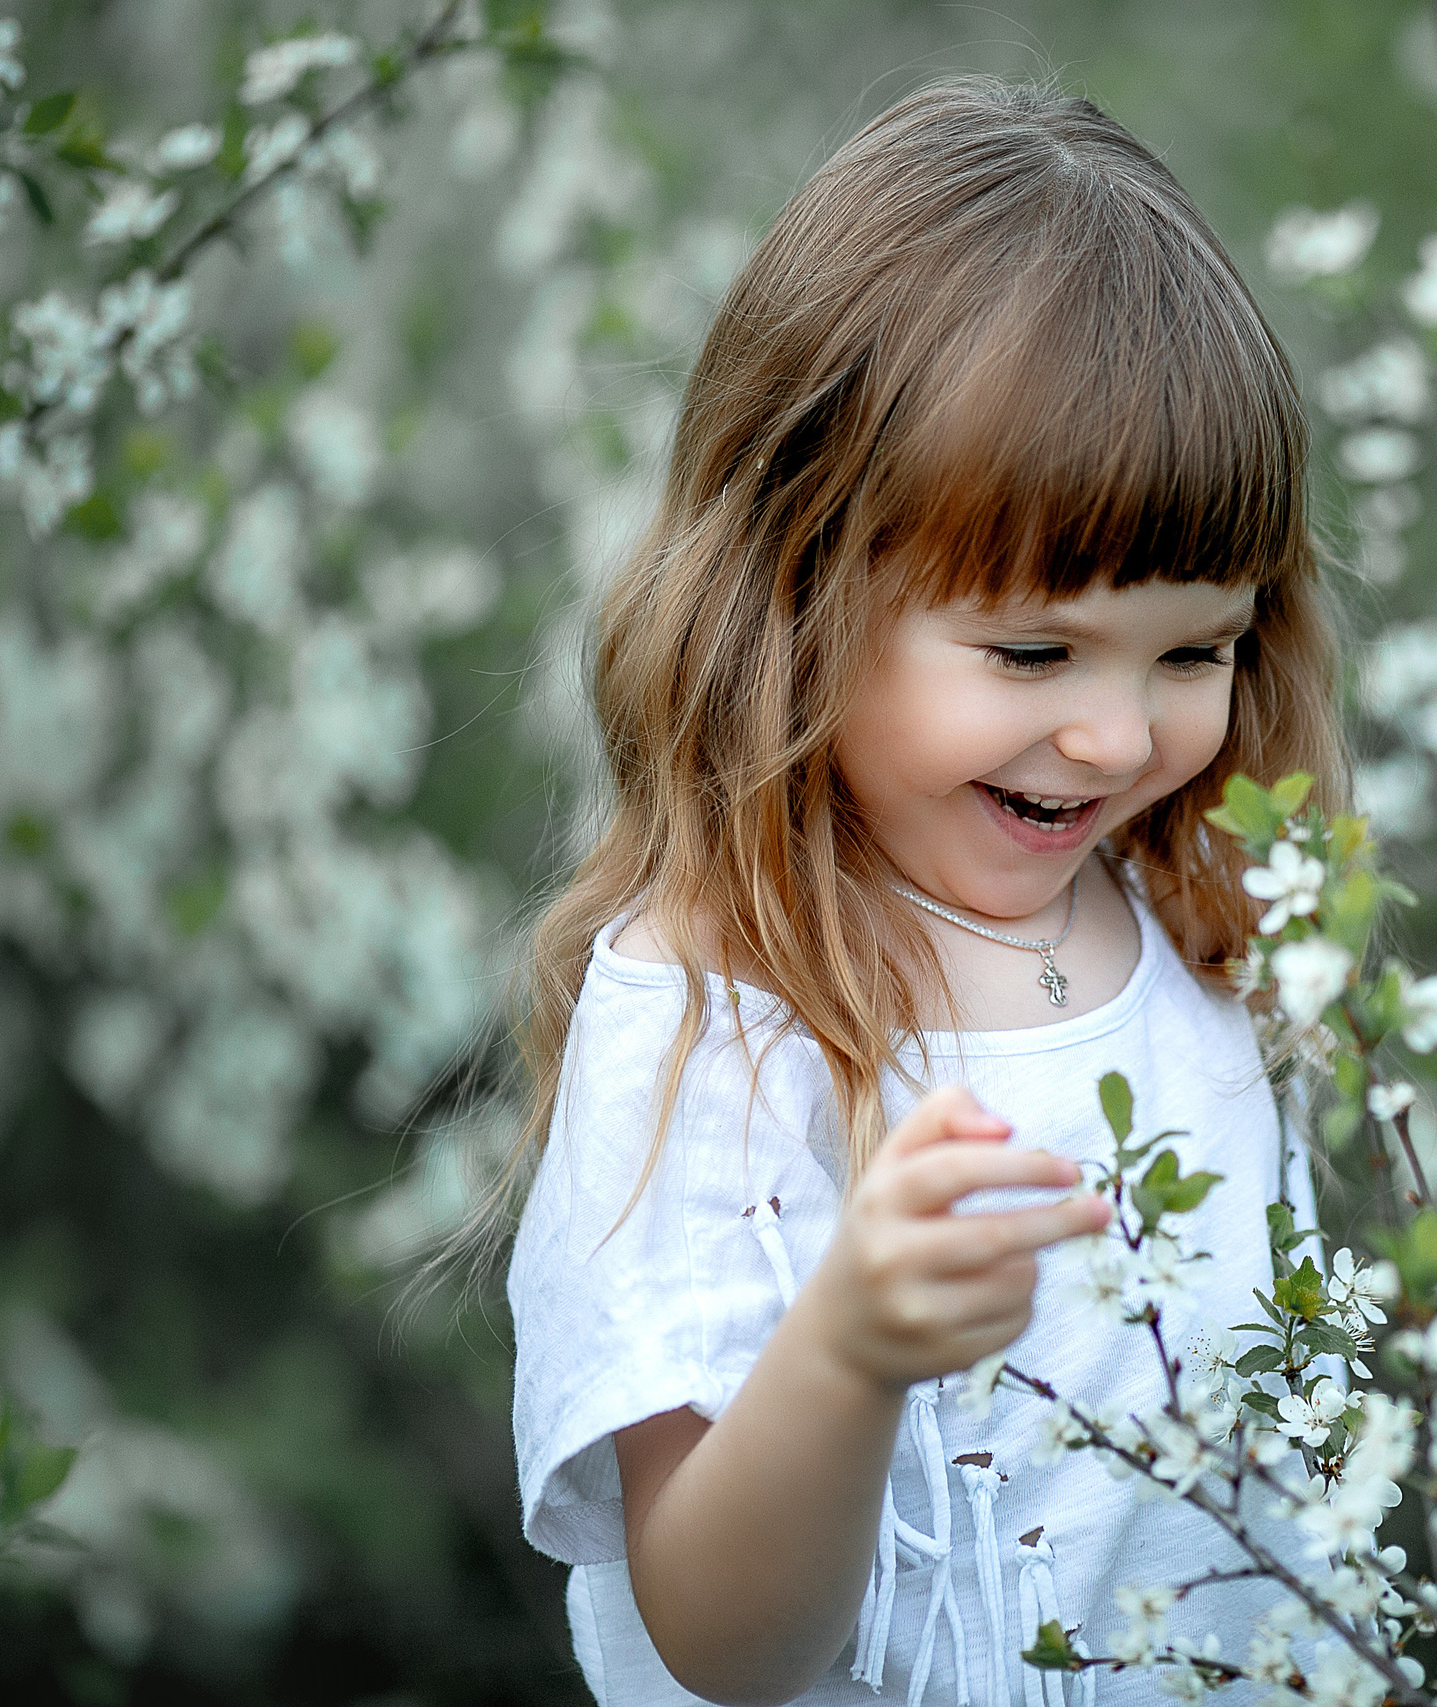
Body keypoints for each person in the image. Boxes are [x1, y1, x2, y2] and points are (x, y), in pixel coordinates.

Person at [495, 77, 1346, 1707]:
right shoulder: (715, 1019)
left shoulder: (1184, 928)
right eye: (1031, 651)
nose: (1116, 737)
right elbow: (722, 1640)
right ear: (797, 591)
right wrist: (852, 1352)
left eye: (1195, 652)